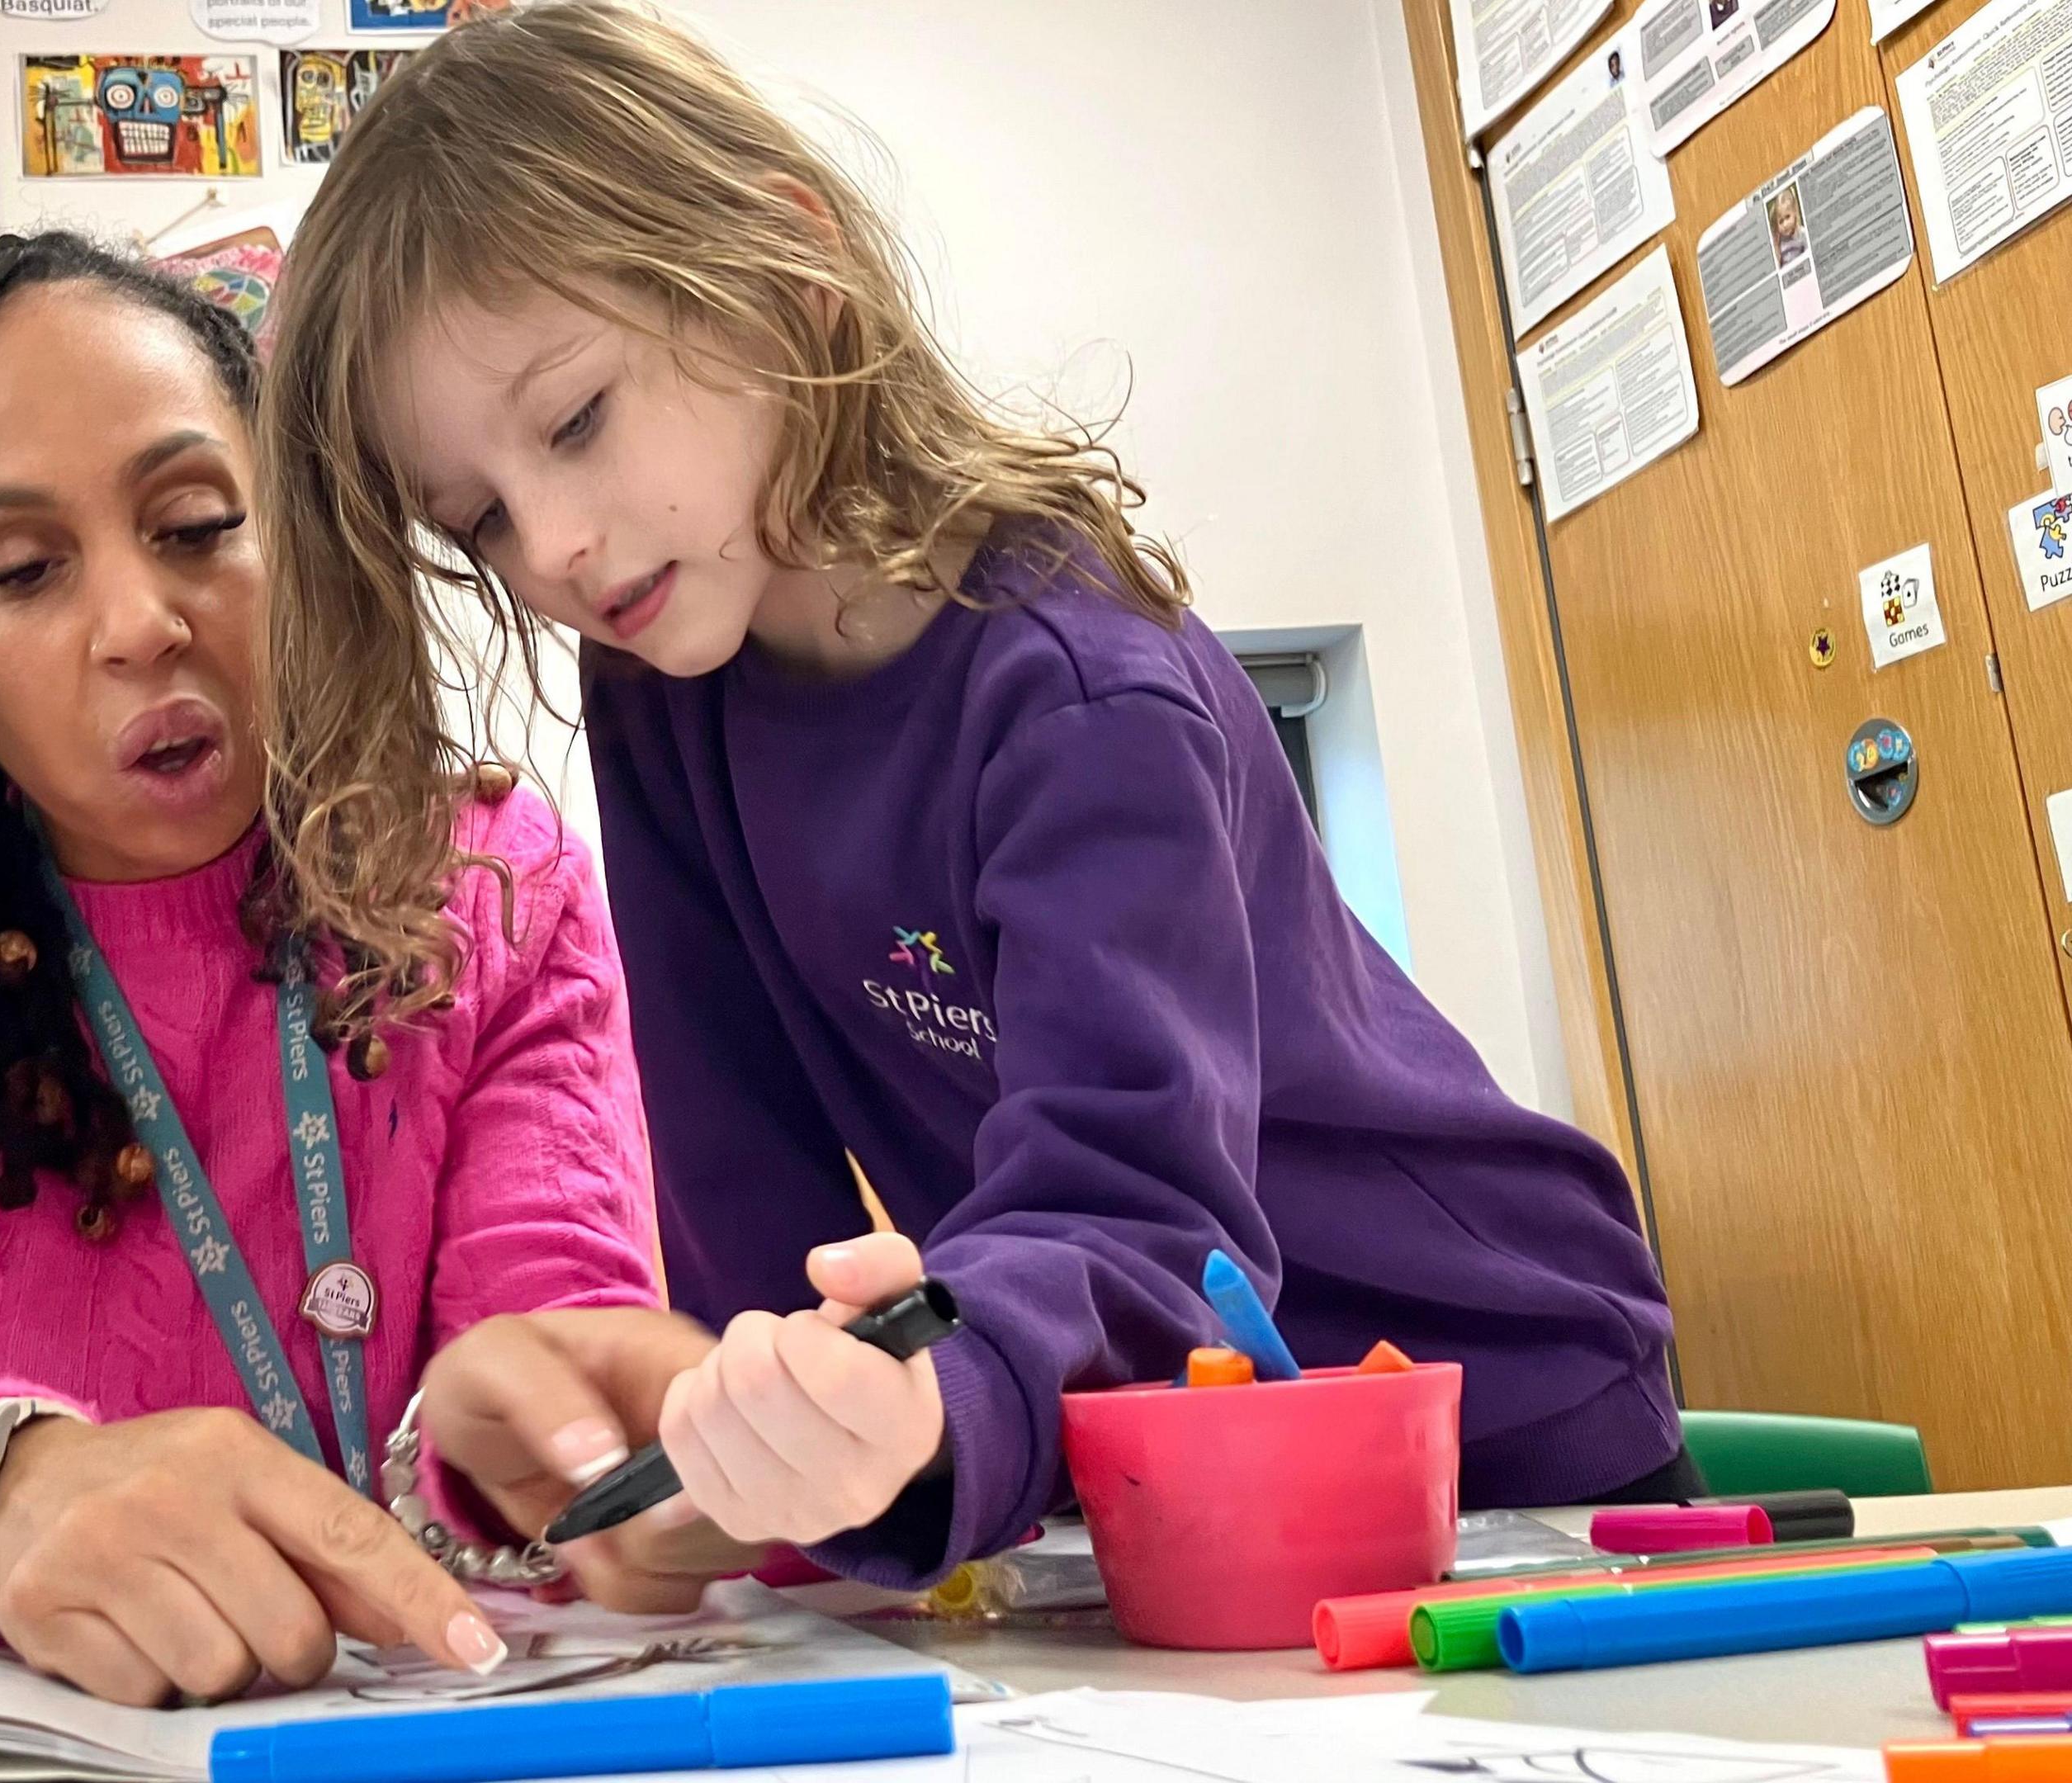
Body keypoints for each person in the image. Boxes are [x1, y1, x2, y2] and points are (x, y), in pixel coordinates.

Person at [258, 2, 1684, 1606]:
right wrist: (752, 1449)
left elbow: (1144, 1225)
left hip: (1489, 1396)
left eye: (580, 421)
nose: (557, 548)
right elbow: (743, 1213)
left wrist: (919, 1410)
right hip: (1167, 1456)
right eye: (481, 518)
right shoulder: (660, 689)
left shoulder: (1076, 687)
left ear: (781, 270)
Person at [0, 232, 661, 1704]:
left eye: (202, 524)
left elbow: (560, 1335)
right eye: (23, 570)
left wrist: (585, 1449)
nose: (143, 623)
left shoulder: (489, 885)